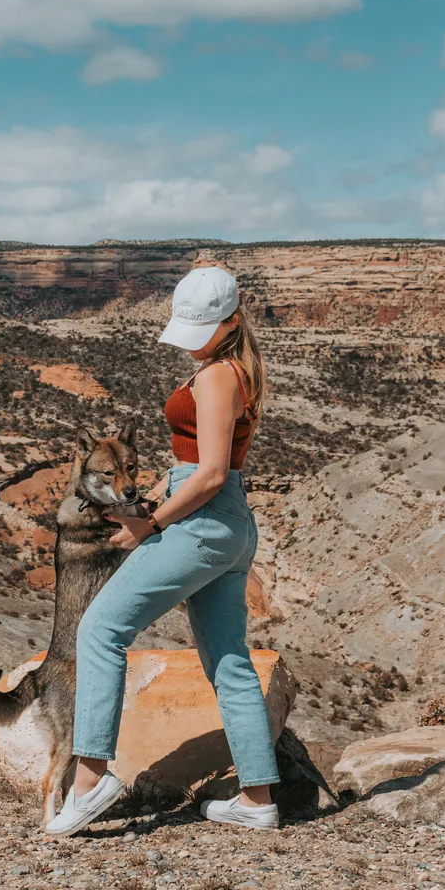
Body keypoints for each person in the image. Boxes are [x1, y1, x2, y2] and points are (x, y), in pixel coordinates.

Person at [45, 265, 280, 838]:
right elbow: (201, 470)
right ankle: (257, 801)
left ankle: (91, 779)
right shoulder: (229, 369)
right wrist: (161, 494)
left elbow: (212, 473)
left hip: (202, 521)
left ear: (231, 321)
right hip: (225, 522)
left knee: (100, 630)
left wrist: (151, 522)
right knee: (228, 660)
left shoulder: (217, 377)